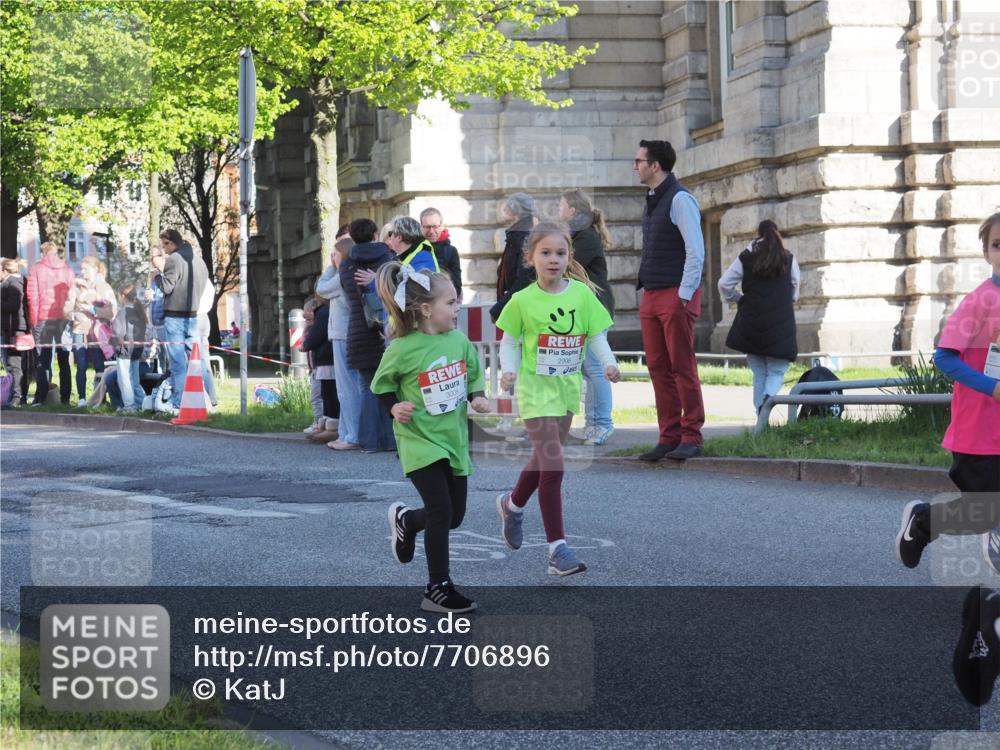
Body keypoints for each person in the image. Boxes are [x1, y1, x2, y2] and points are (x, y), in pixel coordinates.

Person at [494, 222, 620, 577]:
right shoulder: (521, 300)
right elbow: (509, 341)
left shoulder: (580, 295)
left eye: (560, 253)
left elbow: (595, 336)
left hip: (566, 390)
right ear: (530, 258)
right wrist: (509, 371)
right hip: (534, 390)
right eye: (545, 253)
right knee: (554, 464)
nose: (553, 259)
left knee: (543, 457)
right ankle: (557, 550)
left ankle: (512, 504)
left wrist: (609, 365)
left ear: (569, 257)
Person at [371, 261, 489, 613]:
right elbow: (381, 386)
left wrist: (477, 396)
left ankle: (407, 521)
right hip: (419, 441)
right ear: (426, 309)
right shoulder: (403, 348)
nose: (457, 309)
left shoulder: (458, 341)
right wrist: (394, 408)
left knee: (453, 517)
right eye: (450, 303)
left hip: (453, 439)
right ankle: (437, 587)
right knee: (441, 509)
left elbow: (471, 374)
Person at [633, 139, 707, 462]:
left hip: (674, 294)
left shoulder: (680, 199)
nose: (635, 166)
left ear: (655, 165)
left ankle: (692, 435)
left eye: (639, 161)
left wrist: (683, 295)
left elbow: (696, 252)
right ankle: (669, 435)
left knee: (681, 366)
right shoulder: (652, 200)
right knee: (658, 367)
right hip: (651, 293)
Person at [718, 220, 801, 413]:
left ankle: (760, 421)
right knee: (777, 371)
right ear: (777, 233)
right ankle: (767, 401)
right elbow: (795, 287)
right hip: (780, 324)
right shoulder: (788, 258)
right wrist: (786, 301)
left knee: (759, 374)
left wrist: (738, 299)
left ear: (757, 233)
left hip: (751, 322)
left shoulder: (746, 257)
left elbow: (723, 284)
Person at [559, 190, 616, 445]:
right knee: (587, 368)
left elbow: (568, 267)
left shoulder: (585, 238)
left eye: (561, 205)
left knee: (595, 369)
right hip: (581, 310)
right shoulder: (577, 235)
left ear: (572, 210)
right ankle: (593, 423)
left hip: (595, 308)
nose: (559, 210)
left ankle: (601, 424)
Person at [341, 218, 397, 453]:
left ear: (352, 237)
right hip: (385, 329)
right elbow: (397, 288)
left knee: (367, 387)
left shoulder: (347, 264)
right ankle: (388, 440)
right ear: (375, 233)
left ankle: (369, 441)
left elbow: (347, 294)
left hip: (357, 330)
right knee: (389, 387)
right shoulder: (387, 259)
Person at [156, 229, 208, 413]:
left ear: (171, 243)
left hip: (175, 317)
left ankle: (178, 403)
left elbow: (167, 287)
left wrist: (157, 275)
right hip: (193, 316)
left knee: (178, 363)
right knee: (197, 361)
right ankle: (207, 400)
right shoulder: (199, 261)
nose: (164, 250)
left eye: (165, 245)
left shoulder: (174, 259)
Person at [26, 241, 75, 405]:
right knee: (64, 358)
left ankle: (41, 397)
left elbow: (32, 297)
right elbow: (72, 295)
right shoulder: (67, 269)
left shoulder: (36, 268)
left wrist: (34, 322)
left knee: (43, 360)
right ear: (55, 252)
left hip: (44, 318)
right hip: (63, 318)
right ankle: (66, 398)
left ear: (43, 252)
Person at [64, 256, 116, 406]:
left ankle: (100, 399)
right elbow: (67, 308)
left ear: (94, 269)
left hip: (98, 332)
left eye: (85, 268)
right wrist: (74, 315)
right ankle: (81, 399)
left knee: (100, 367)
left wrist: (92, 309)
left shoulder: (103, 286)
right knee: (81, 365)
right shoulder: (75, 286)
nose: (82, 271)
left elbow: (111, 311)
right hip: (79, 329)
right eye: (81, 268)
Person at [327, 235, 362, 451]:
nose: (331, 256)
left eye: (335, 252)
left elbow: (321, 289)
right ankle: (345, 432)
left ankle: (352, 435)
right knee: (346, 387)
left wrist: (331, 268)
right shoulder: (347, 274)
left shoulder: (342, 276)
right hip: (342, 333)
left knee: (348, 388)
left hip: (343, 334)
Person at [302, 281, 339, 444]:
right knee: (326, 394)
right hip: (323, 362)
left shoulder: (324, 313)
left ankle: (329, 425)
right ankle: (324, 424)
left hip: (326, 361)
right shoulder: (326, 311)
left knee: (327, 394)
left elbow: (314, 338)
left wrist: (306, 344)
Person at [493, 192, 536, 319]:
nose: (505, 209)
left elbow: (524, 278)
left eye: (508, 205)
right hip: (516, 302)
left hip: (522, 306)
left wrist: (500, 306)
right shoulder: (516, 233)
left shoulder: (524, 235)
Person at [111, 283, 148, 411]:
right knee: (135, 380)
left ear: (122, 296)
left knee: (125, 379)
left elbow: (118, 335)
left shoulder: (123, 312)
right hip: (137, 350)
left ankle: (130, 406)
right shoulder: (140, 312)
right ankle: (143, 403)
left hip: (125, 350)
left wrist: (112, 340)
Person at [1, 259, 31, 406]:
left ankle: (16, 396)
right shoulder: (13, 281)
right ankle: (13, 395)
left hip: (14, 329)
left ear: (4, 270)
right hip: (9, 328)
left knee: (14, 364)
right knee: (10, 364)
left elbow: (14, 305)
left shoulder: (13, 283)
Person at [420, 207, 462, 298]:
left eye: (435, 226)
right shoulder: (415, 250)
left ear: (442, 226)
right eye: (427, 227)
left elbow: (457, 287)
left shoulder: (450, 251)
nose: (431, 231)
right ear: (421, 227)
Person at [196, 277, 219, 410]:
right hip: (203, 318)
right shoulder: (204, 276)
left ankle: (205, 397)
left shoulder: (191, 276)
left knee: (196, 361)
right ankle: (211, 397)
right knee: (204, 361)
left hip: (196, 317)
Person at [144, 246, 168, 373]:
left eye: (152, 257)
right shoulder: (156, 277)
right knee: (161, 357)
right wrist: (148, 297)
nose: (151, 261)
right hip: (156, 324)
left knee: (169, 356)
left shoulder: (169, 275)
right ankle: (164, 383)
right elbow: (153, 297)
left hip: (166, 323)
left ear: (161, 257)